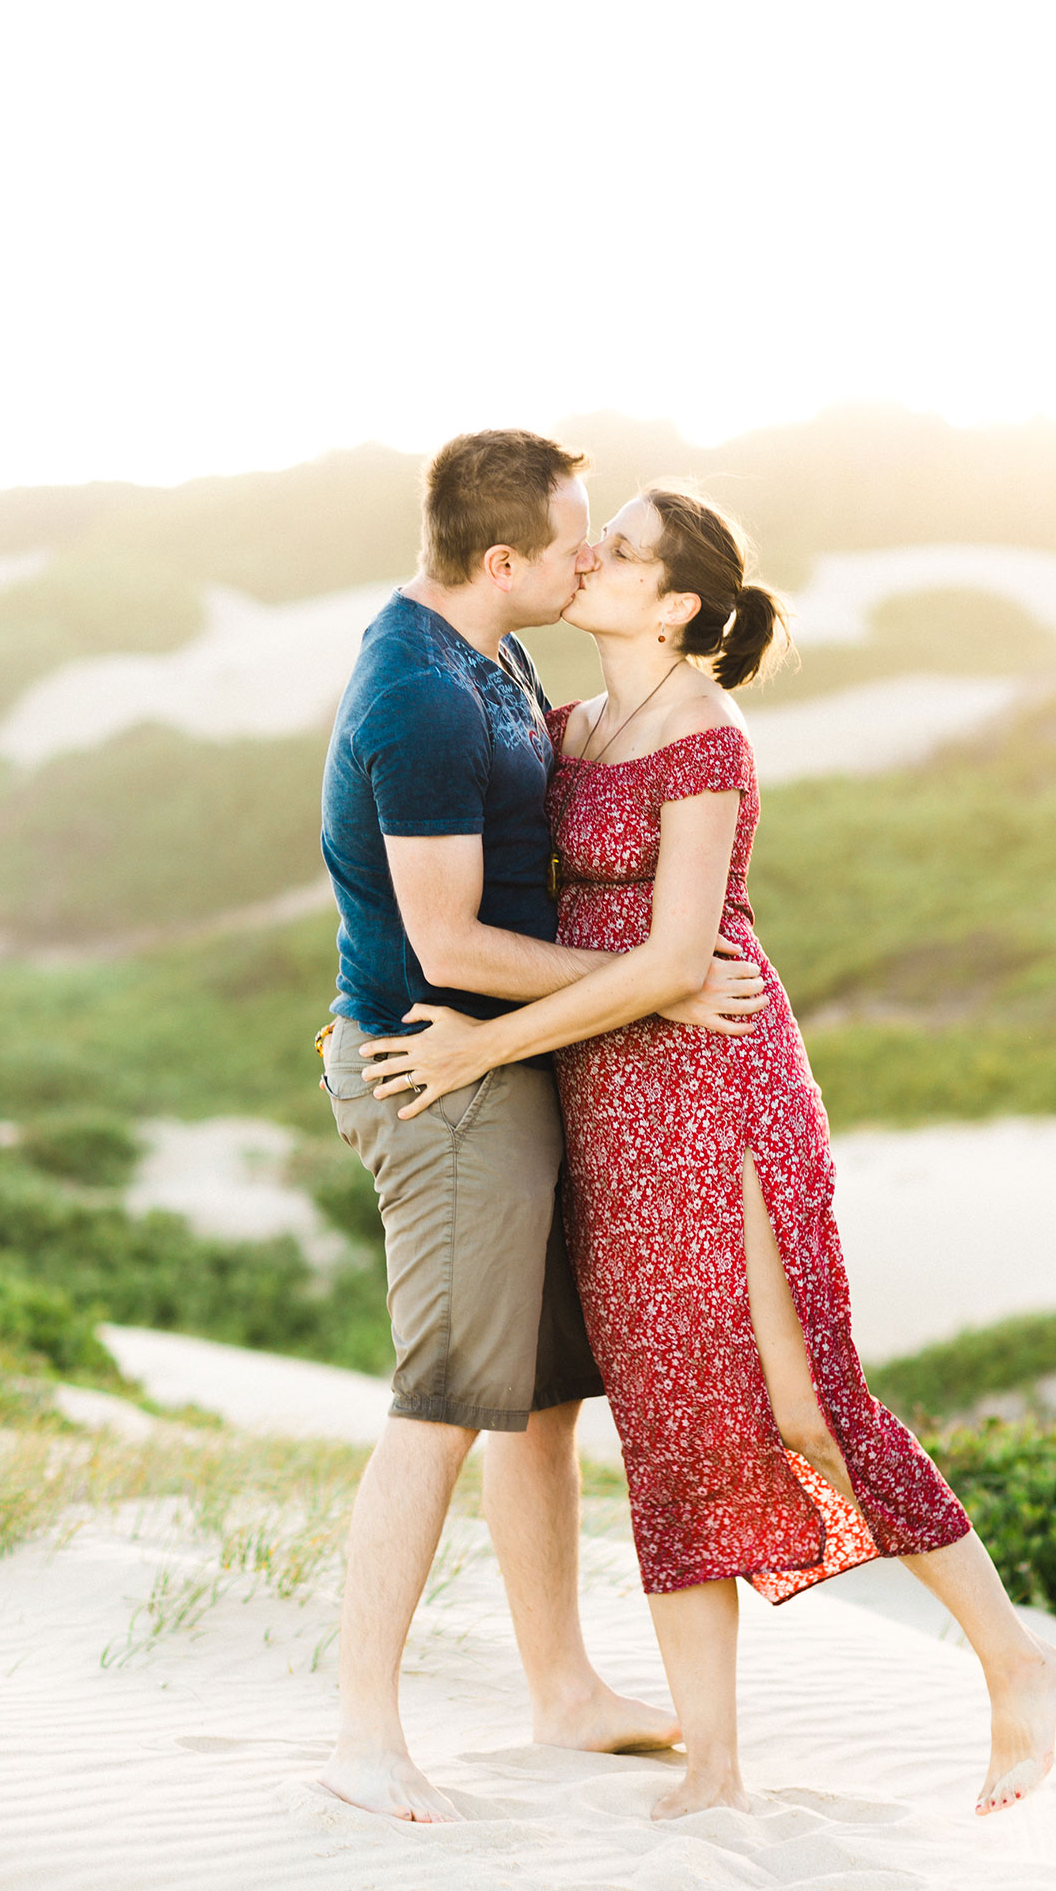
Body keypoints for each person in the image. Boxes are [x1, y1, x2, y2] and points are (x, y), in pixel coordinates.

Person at [363, 481, 1056, 1821]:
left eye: (619, 552)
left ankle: (1018, 1662)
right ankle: (718, 1760)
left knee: (805, 1400)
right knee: (671, 1427)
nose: (594, 562)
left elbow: (682, 962)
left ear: (678, 601)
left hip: (724, 1089)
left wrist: (480, 1047)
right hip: (609, 1111)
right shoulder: (568, 728)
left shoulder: (706, 733)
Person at [316, 432, 767, 1823]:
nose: (591, 559)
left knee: (543, 1397)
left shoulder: (490, 653)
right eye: (576, 540)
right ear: (502, 561)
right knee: (444, 1401)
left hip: (520, 1067)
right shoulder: (423, 697)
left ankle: (562, 1687)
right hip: (440, 1072)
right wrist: (662, 987)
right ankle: (361, 1735)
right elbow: (448, 938)